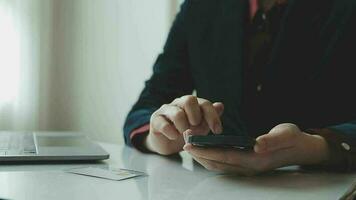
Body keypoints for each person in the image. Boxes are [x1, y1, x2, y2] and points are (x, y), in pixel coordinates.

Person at [124, 0, 356, 175]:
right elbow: (148, 105)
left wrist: (318, 148)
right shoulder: (200, 7)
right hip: (212, 188)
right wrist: (159, 136)